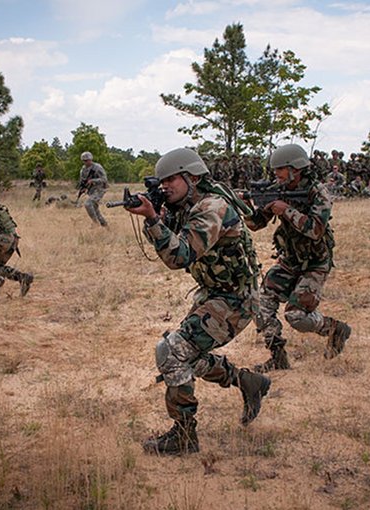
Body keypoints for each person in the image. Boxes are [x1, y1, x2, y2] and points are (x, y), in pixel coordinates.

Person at [125, 148, 270, 456]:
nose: (165, 187)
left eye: (171, 180)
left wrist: (153, 218)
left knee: (172, 351)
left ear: (191, 177)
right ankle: (247, 381)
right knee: (186, 356)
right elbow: (170, 248)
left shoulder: (211, 207)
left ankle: (184, 436)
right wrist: (159, 217)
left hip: (236, 298)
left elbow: (179, 256)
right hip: (216, 293)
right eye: (161, 182)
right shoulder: (188, 205)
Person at [244, 143, 351, 373]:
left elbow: (315, 230)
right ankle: (278, 358)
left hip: (315, 262)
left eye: (280, 170)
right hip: (289, 260)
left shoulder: (317, 192)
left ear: (296, 169)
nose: (276, 175)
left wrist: (286, 211)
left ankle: (335, 329)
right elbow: (255, 224)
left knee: (296, 316)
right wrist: (245, 207)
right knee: (260, 306)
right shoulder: (277, 189)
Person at [78, 151, 109, 227]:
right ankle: (105, 226)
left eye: (87, 160)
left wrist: (93, 181)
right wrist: (83, 188)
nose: (85, 162)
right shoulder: (83, 170)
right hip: (91, 190)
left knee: (88, 204)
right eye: (84, 161)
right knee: (95, 209)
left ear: (90, 159)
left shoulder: (97, 167)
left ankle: (95, 223)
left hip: (99, 189)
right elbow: (82, 181)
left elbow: (104, 179)